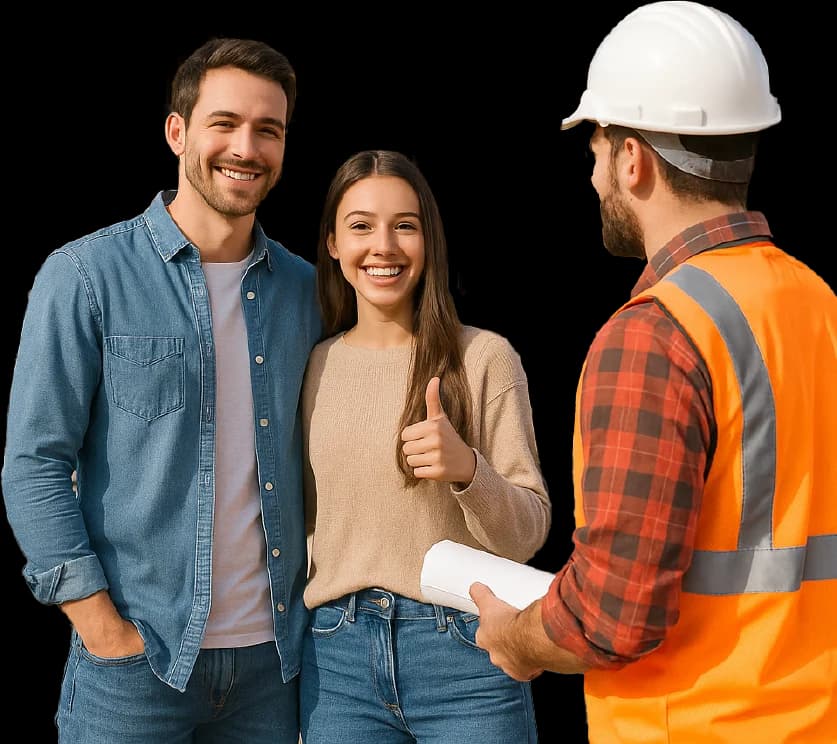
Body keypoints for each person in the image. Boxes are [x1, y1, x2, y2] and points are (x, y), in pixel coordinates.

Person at [469, 2, 837, 742]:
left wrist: (514, 639)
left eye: (596, 152)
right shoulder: (815, 299)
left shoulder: (653, 336)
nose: (596, 174)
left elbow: (611, 616)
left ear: (632, 158)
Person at [2, 37, 321, 743]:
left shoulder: (307, 290)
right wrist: (98, 624)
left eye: (267, 130)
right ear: (177, 132)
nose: (246, 146)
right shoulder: (85, 275)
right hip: (135, 666)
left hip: (272, 670)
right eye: (225, 123)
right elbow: (34, 462)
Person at [299, 149, 551, 742]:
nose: (382, 246)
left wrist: (469, 471)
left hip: (466, 653)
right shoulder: (311, 366)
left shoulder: (484, 358)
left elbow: (530, 531)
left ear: (428, 240)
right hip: (337, 661)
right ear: (333, 243)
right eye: (360, 225)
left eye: (404, 225)